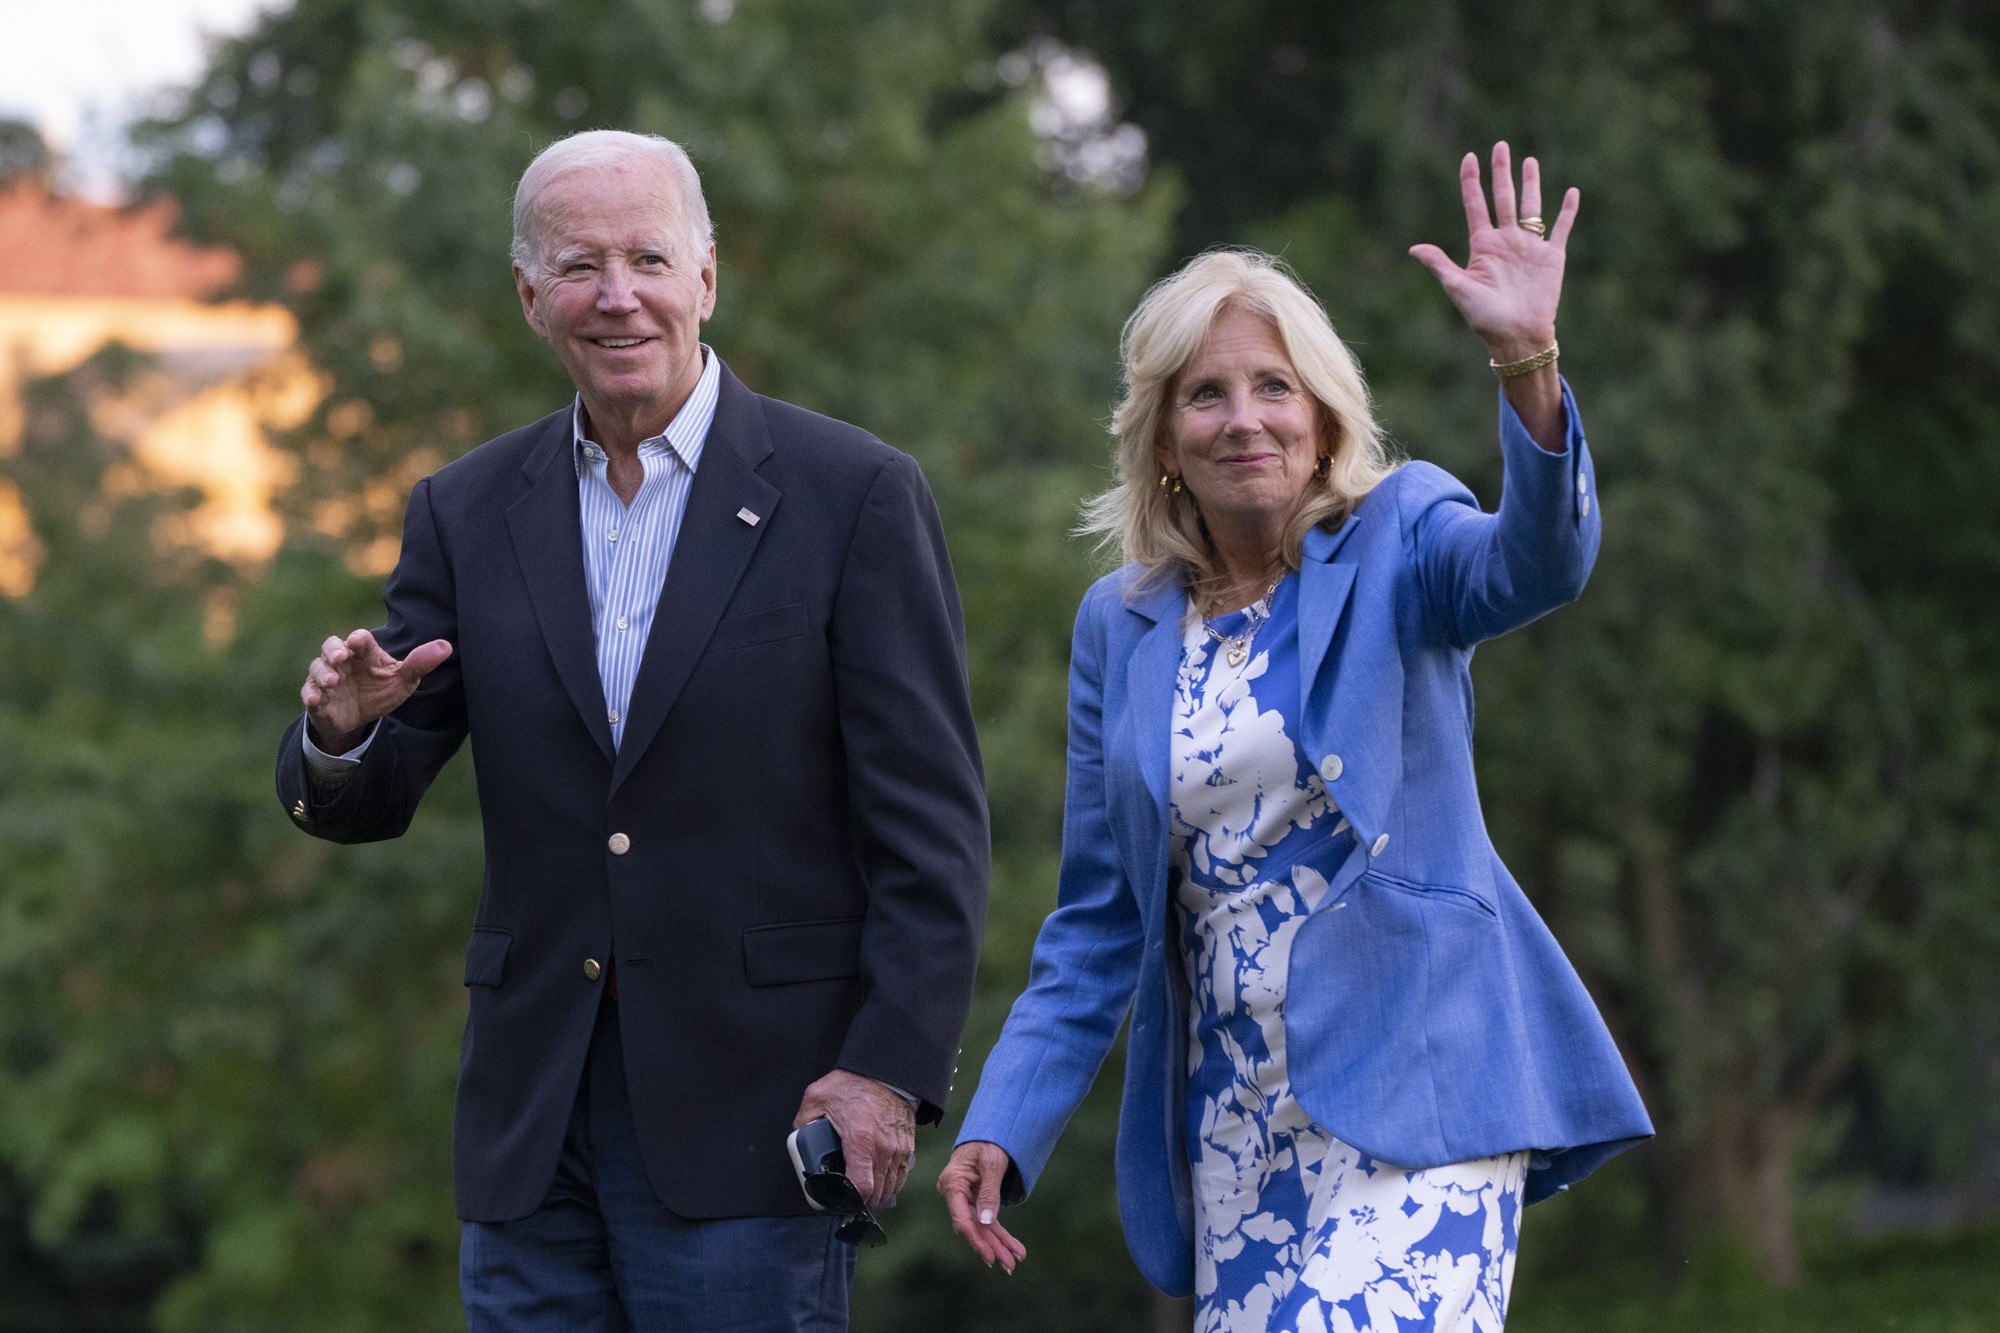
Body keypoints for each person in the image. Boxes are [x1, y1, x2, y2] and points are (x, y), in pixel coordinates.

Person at [278, 129, 989, 1332]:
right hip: (530, 1122)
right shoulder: (462, 509)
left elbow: (933, 831)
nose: (617, 296)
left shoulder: (852, 494)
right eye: (576, 266)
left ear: (705, 277)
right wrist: (340, 738)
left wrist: (888, 1068)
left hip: (757, 1115)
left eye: (647, 259)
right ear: (527, 298)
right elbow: (374, 793)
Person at [937, 144, 1652, 1332]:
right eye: (1204, 394)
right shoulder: (1118, 628)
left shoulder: (1399, 538)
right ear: (1161, 435)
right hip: (1238, 1120)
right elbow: (1098, 919)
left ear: (1322, 418)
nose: (1241, 419)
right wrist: (1003, 1122)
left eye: (1273, 387)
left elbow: (1538, 563)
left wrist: (1525, 362)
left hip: (1424, 1089)